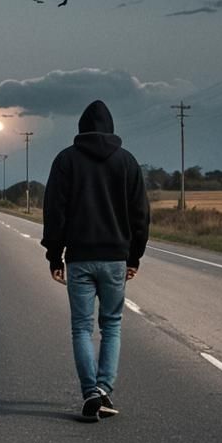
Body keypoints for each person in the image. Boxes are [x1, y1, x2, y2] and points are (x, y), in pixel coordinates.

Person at [41, 99, 149, 422]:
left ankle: (90, 392)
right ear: (111, 128)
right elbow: (141, 215)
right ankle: (103, 390)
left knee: (81, 328)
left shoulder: (65, 161)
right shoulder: (127, 163)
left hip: (80, 259)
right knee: (112, 325)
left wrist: (54, 255)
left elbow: (54, 212)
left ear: (81, 128)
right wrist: (134, 256)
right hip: (115, 259)